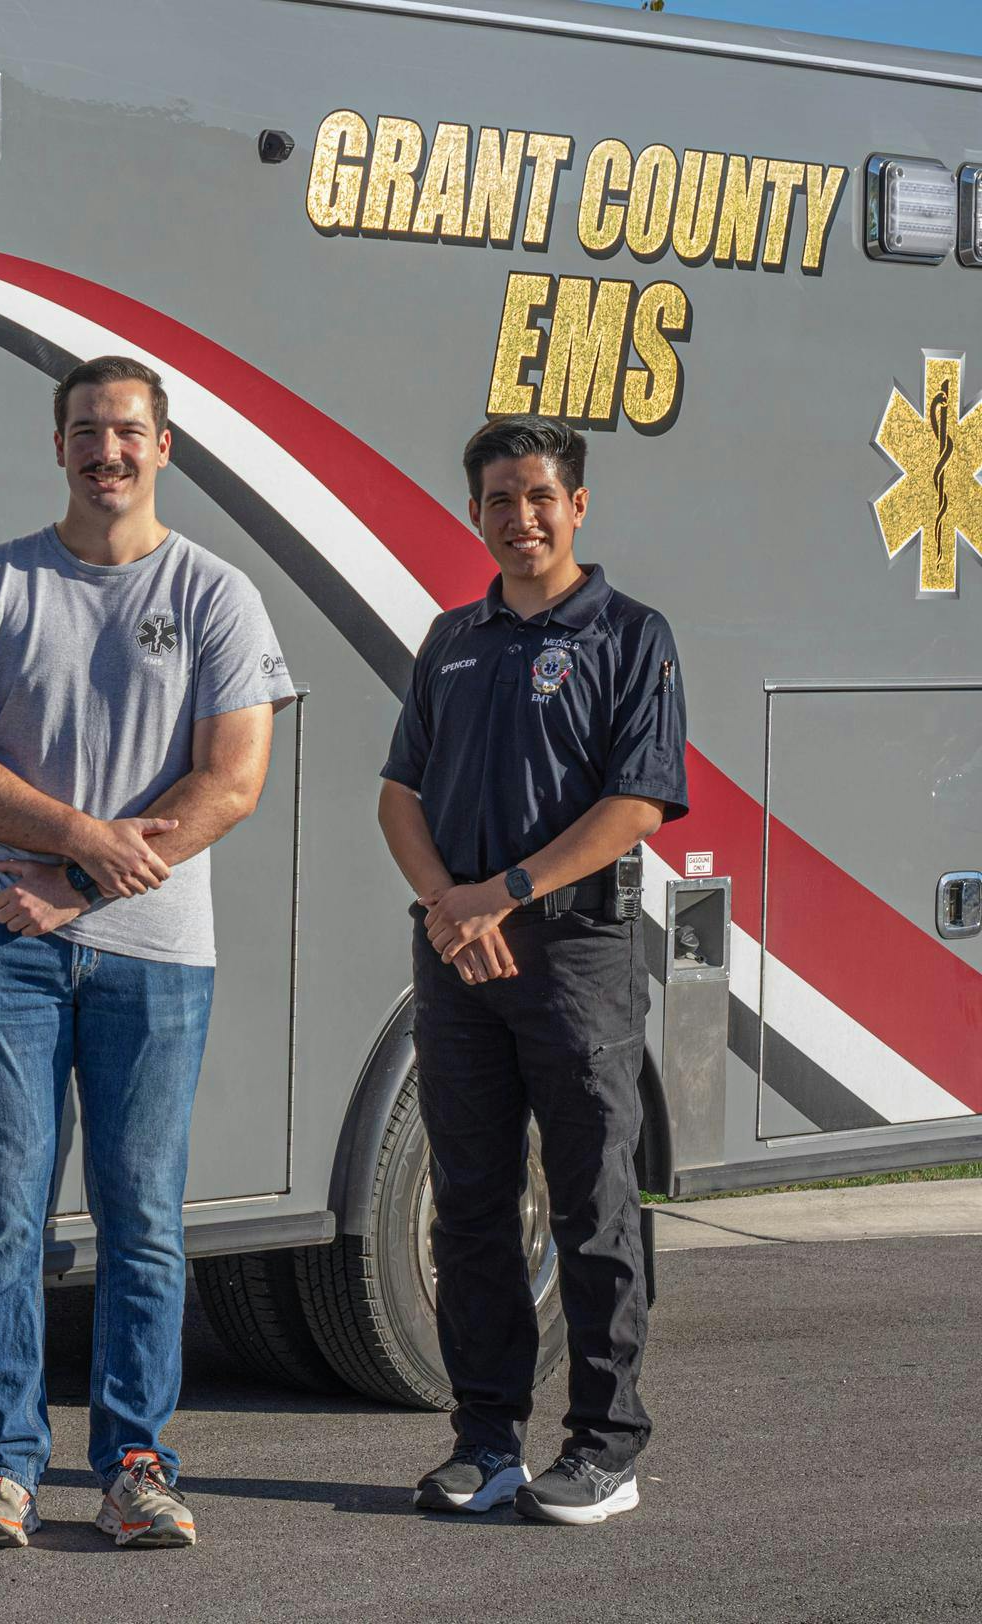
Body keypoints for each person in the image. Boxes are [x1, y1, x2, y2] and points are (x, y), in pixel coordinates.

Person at [0, 355, 295, 1549]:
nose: (105, 451)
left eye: (126, 431)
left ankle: (134, 1462)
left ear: (162, 446)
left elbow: (230, 780)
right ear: (57, 444)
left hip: (151, 951)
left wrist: (72, 884)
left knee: (142, 1220)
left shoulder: (216, 593)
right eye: (84, 430)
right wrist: (78, 840)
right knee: (0, 1219)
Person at [376, 416, 688, 1527]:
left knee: (591, 1201)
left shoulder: (628, 635)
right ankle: (485, 1441)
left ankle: (605, 1447)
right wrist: (446, 908)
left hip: (570, 956)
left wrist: (499, 892)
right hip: (459, 955)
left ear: (578, 506)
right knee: (468, 1205)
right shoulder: (450, 639)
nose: (520, 517)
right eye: (499, 499)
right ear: (473, 512)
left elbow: (634, 804)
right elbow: (398, 795)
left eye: (539, 496)